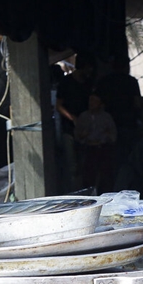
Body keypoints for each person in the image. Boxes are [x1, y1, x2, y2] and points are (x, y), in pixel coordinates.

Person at [95, 54, 142, 179]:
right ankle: (126, 181)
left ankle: (111, 183)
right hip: (127, 123)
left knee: (107, 158)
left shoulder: (104, 81)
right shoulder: (131, 81)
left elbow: (97, 102)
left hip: (106, 124)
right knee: (127, 157)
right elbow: (137, 103)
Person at [55, 53, 96, 191]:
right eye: (88, 68)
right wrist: (73, 119)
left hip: (86, 130)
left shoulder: (89, 84)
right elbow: (58, 105)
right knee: (72, 166)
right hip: (69, 130)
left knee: (86, 165)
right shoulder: (66, 83)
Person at [73, 92, 118, 194]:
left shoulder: (106, 117)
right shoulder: (83, 116)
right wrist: (83, 135)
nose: (92, 103)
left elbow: (113, 134)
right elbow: (77, 134)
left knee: (105, 176)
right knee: (88, 176)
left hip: (102, 148)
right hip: (89, 149)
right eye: (90, 101)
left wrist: (106, 136)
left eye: (94, 101)